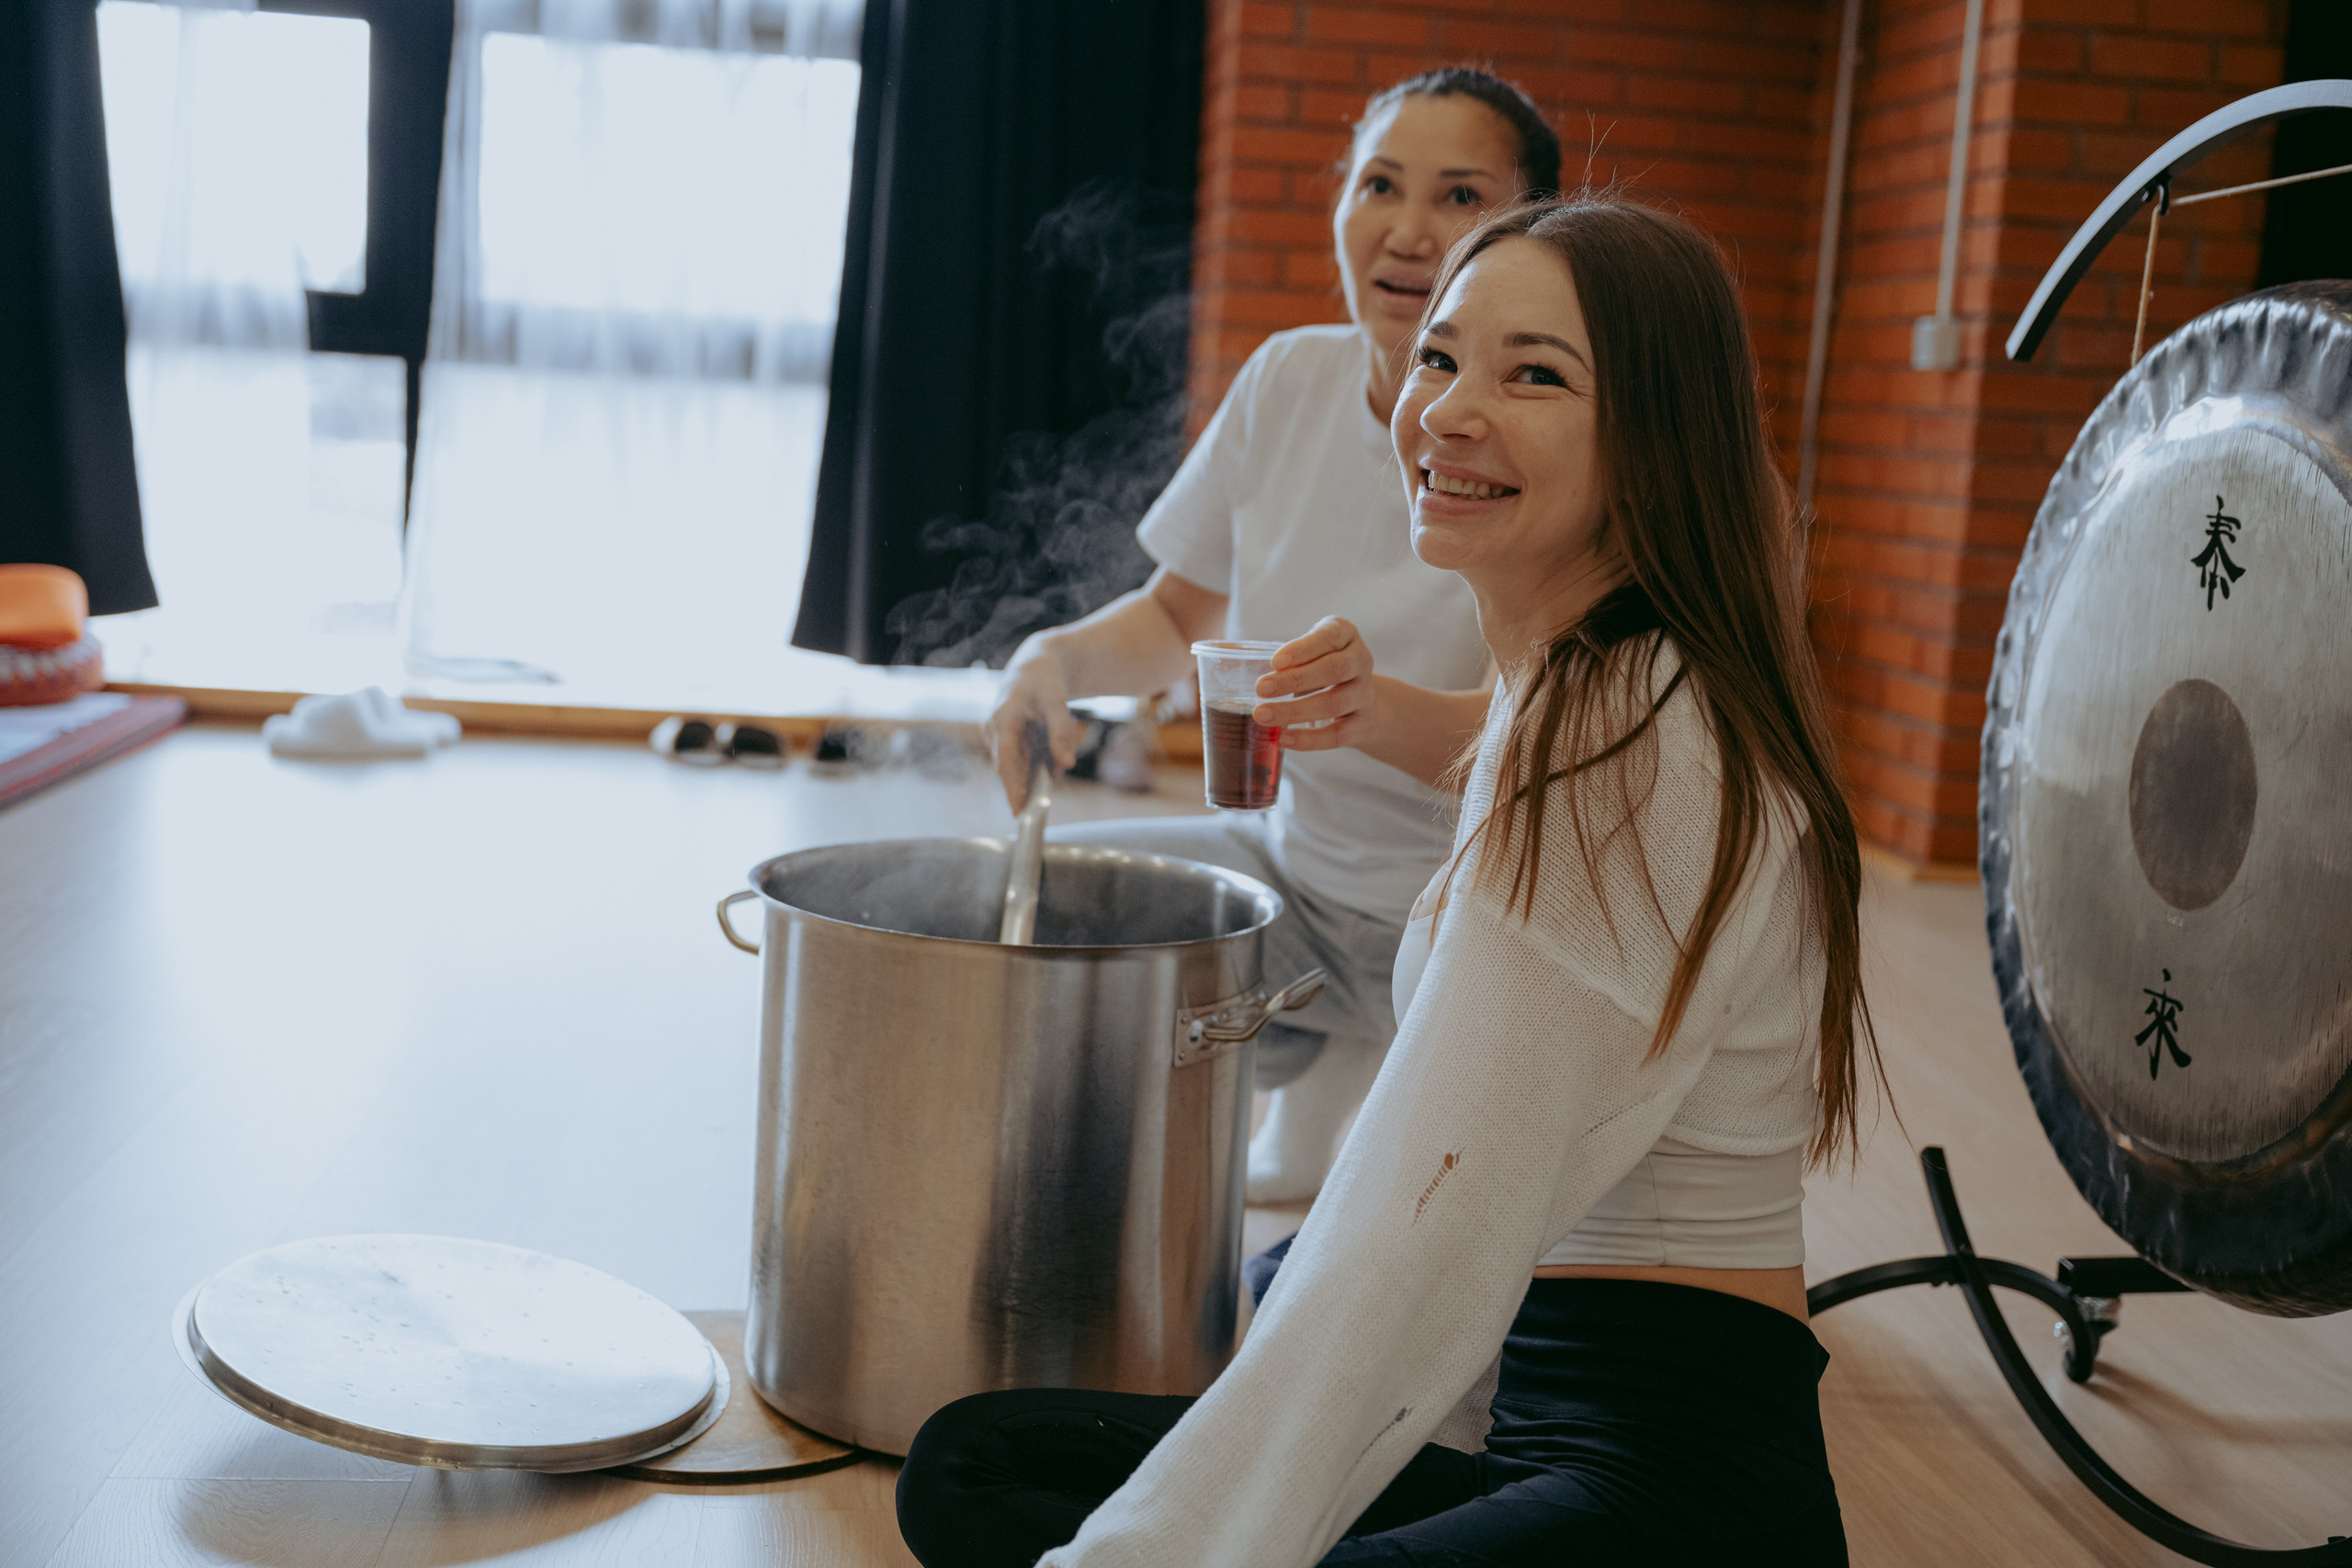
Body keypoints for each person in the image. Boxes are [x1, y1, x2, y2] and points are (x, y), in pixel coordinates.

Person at [899, 194, 1876, 1565]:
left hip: (1675, 1465)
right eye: (1440, 358)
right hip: (1520, 1395)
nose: (1451, 409)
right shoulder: (1576, 688)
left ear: (1658, 438)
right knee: (974, 1461)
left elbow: (1417, 1232)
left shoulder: (1625, 744)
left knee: (1159, 1476)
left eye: (1535, 373)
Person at [987, 69, 1561, 1203]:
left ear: (1529, 230)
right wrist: (1044, 662)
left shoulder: (1552, 427)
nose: (1405, 231)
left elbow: (1572, 731)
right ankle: (1317, 1059)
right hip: (1294, 878)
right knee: (1052, 899)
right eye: (1379, 185)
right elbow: (1174, 617)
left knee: (1416, 1242)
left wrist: (1376, 711)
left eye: (1457, 197)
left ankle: (1361, 1065)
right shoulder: (1289, 378)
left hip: (1475, 923)